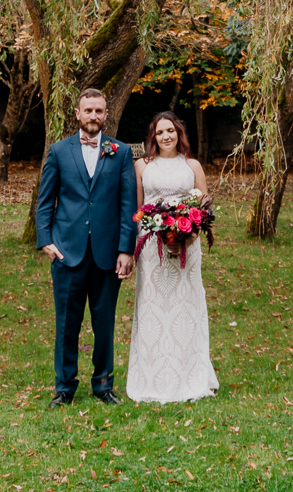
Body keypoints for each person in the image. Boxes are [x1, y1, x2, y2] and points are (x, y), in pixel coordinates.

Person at [35, 88, 137, 406]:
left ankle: (103, 384)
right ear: (77, 114)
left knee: (104, 322)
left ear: (107, 115)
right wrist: (46, 241)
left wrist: (125, 249)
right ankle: (64, 387)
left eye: (99, 111)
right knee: (67, 323)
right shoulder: (58, 151)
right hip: (68, 252)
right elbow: (45, 201)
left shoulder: (120, 152)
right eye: (88, 110)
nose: (93, 116)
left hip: (107, 253)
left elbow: (127, 204)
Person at [125, 111, 219, 403]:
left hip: (187, 248)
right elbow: (138, 209)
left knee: (184, 308)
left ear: (179, 134)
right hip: (151, 249)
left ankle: (188, 376)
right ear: (152, 136)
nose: (165, 136)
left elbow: (204, 207)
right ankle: (152, 378)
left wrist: (188, 236)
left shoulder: (192, 166)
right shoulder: (142, 165)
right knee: (152, 309)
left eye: (170, 131)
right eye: (159, 132)